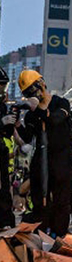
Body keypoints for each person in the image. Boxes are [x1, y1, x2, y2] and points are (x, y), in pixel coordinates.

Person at [17, 70, 72, 237]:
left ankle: (60, 235)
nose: (33, 94)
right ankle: (42, 233)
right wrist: (15, 125)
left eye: (33, 89)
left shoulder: (60, 103)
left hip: (60, 158)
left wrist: (40, 110)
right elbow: (27, 137)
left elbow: (56, 119)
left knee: (61, 200)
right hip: (41, 160)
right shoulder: (31, 115)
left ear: (42, 83)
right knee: (40, 200)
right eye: (28, 93)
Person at [0, 67, 15, 229]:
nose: (2, 90)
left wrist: (10, 123)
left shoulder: (3, 106)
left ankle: (6, 220)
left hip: (2, 151)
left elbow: (7, 133)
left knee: (5, 189)